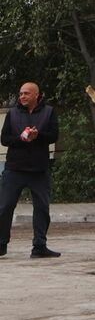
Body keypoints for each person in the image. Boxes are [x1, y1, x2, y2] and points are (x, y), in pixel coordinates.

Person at [0, 81, 60, 259]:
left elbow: (54, 136)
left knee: (42, 208)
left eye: (26, 93)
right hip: (14, 169)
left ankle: (39, 246)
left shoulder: (49, 112)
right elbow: (4, 139)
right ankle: (1, 244)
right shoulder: (13, 113)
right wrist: (21, 138)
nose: (22, 97)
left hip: (39, 170)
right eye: (20, 94)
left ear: (36, 95)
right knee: (4, 207)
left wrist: (38, 136)